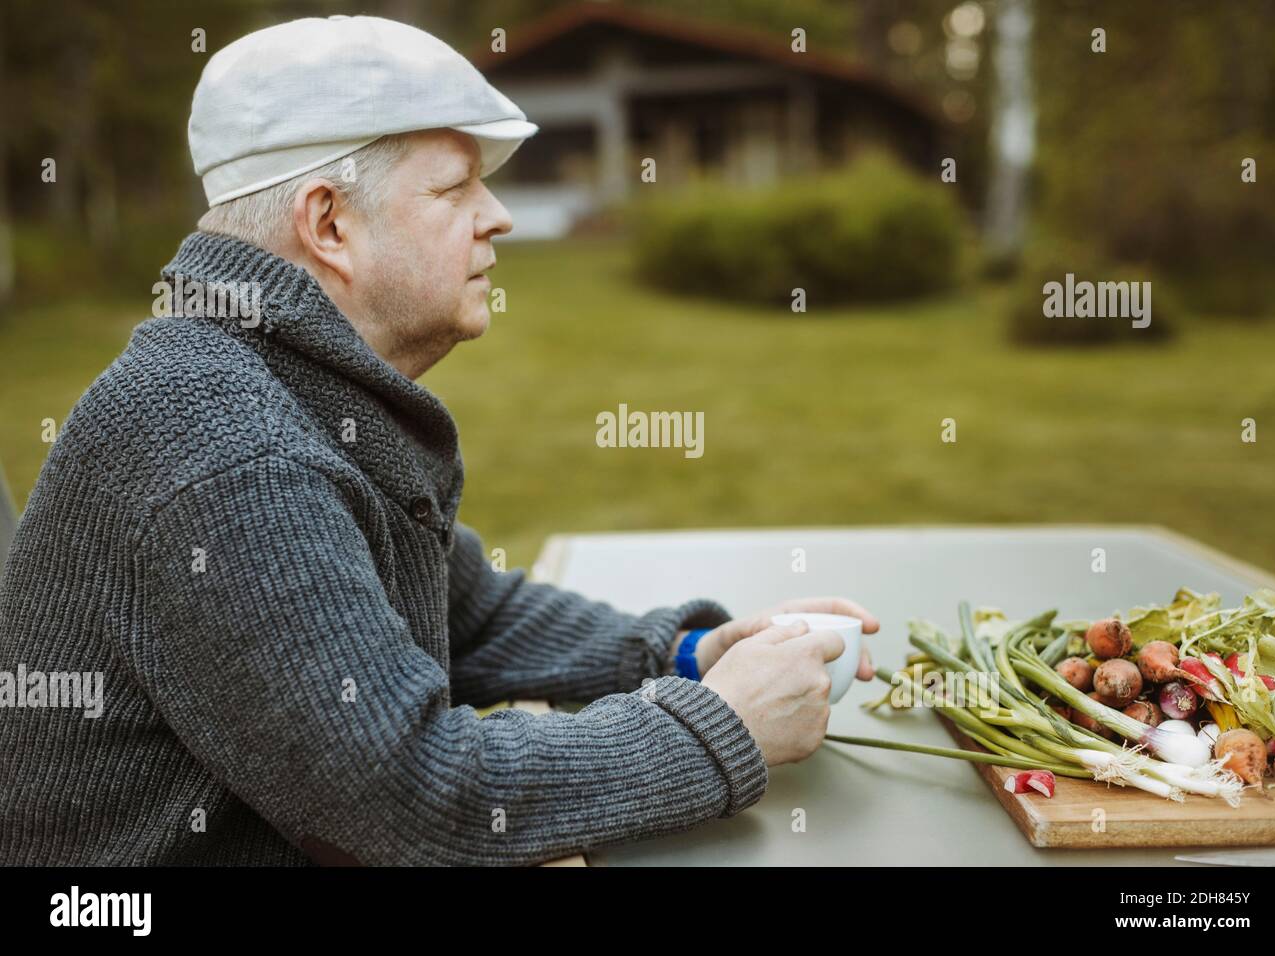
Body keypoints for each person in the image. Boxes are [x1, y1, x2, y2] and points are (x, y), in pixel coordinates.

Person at [0, 15, 878, 866]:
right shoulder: (229, 455)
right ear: (330, 224)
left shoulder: (285, 374)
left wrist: (686, 656)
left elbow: (470, 614)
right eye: (455, 189)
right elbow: (413, 800)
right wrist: (717, 729)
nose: (497, 216)